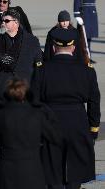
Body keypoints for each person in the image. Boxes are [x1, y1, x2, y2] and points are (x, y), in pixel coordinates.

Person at [33, 28, 100, 189]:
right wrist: (93, 128)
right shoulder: (87, 70)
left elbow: (33, 102)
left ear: (54, 47)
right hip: (78, 122)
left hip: (50, 122)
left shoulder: (42, 70)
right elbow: (94, 102)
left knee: (52, 170)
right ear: (74, 47)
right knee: (75, 172)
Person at [0, 78, 61, 189]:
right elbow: (55, 138)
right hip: (32, 171)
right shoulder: (36, 115)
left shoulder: (0, 115)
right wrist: (47, 111)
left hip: (6, 171)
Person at [0, 9, 42, 103]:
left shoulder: (31, 41)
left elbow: (39, 63)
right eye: (2, 20)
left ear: (16, 22)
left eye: (6, 21)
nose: (3, 23)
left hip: (23, 90)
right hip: (0, 90)